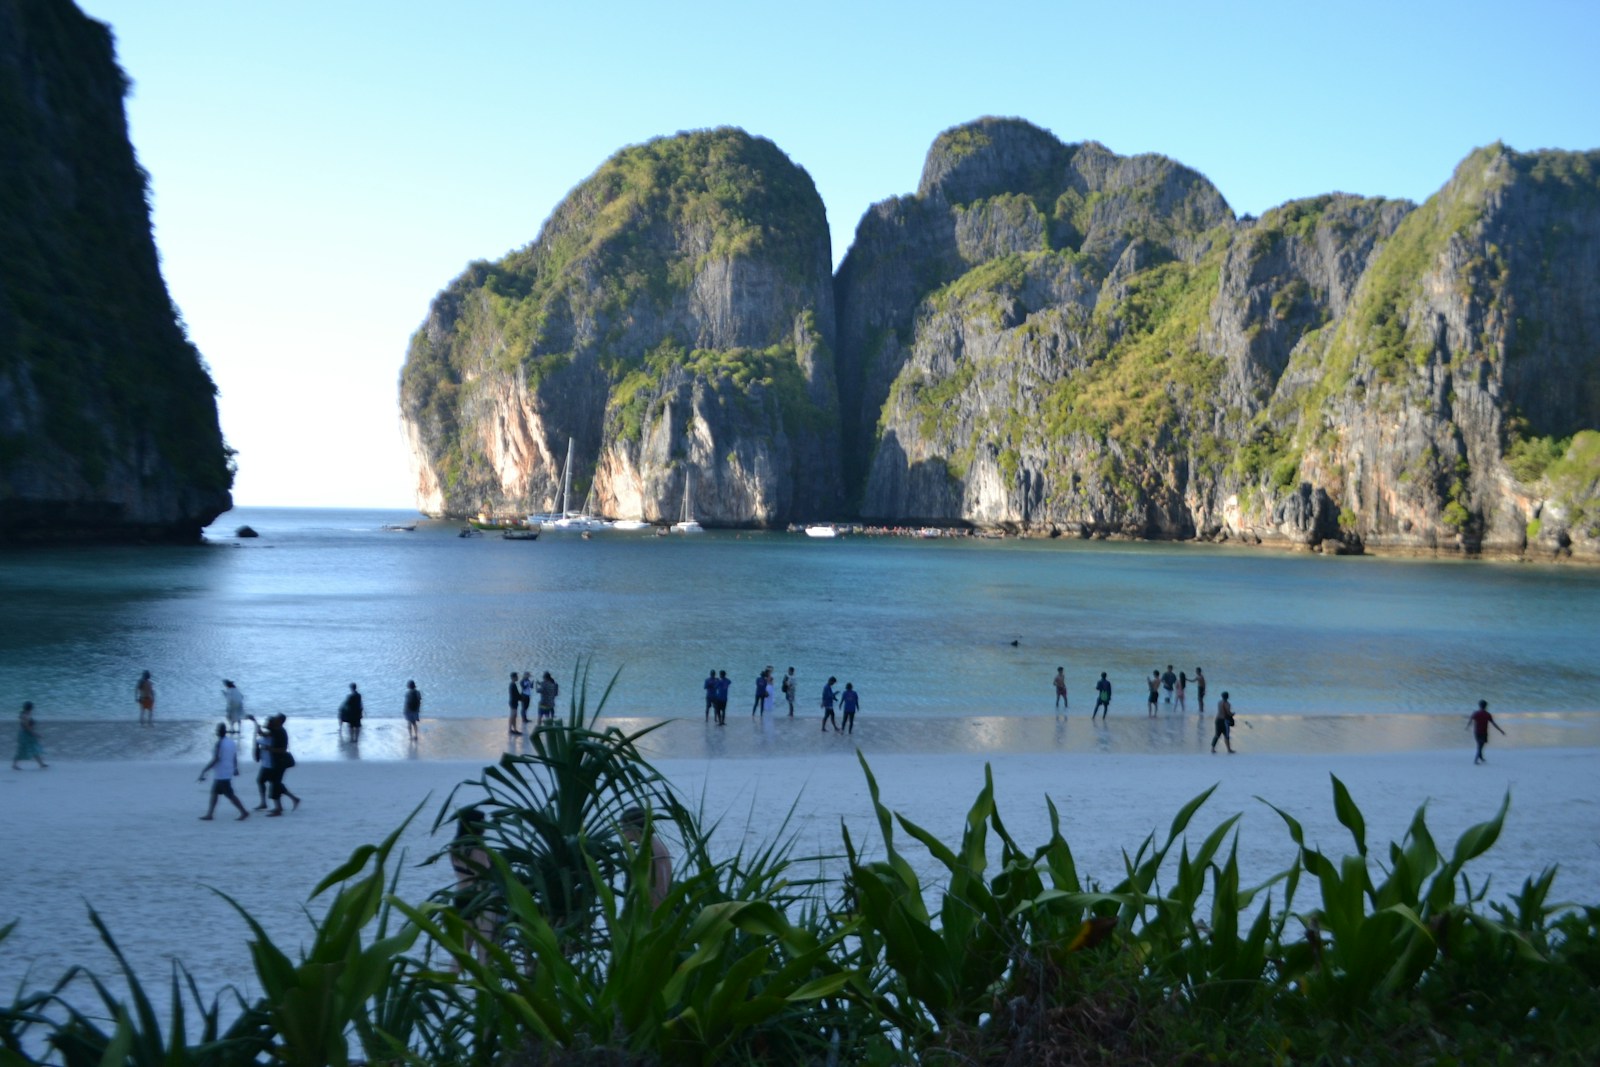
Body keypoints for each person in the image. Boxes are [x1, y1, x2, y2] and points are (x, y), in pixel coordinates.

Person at [621, 805, 673, 908]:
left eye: (623, 829)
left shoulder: (648, 852)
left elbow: (651, 889)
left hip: (651, 914)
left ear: (633, 828)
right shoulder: (656, 843)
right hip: (662, 910)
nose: (622, 833)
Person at [198, 722, 249, 820]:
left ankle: (243, 811)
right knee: (214, 792)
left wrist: (205, 770)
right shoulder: (231, 742)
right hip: (227, 771)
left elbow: (216, 758)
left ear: (218, 732)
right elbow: (234, 756)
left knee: (229, 795)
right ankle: (210, 814)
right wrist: (235, 768)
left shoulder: (219, 743)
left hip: (222, 773)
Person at [264, 713, 300, 814]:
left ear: (280, 721)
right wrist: (254, 722)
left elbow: (283, 750)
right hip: (276, 761)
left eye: (276, 718)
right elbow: (265, 733)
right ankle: (293, 799)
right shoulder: (276, 730)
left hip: (280, 762)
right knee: (276, 782)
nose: (274, 719)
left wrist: (270, 749)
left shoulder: (281, 732)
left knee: (275, 783)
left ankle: (278, 808)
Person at [1468, 699, 1506, 764]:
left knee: (1480, 745)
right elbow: (1493, 724)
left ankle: (1481, 757)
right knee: (1480, 746)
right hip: (1484, 732)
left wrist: (1467, 726)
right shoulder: (1487, 714)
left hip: (1477, 732)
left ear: (1479, 705)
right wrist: (1501, 730)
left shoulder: (1475, 713)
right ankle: (1476, 760)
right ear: (1486, 706)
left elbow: (1470, 720)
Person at [13, 702, 46, 770]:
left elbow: (27, 726)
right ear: (30, 708)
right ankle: (14, 765)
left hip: (26, 734)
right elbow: (27, 727)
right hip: (26, 735)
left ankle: (41, 764)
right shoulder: (25, 716)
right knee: (23, 749)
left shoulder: (26, 714)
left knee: (34, 748)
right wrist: (35, 734)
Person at [506, 672, 522, 736]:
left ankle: (513, 729)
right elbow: (516, 695)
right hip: (513, 702)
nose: (517, 677)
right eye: (516, 676)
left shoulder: (512, 684)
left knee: (514, 716)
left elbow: (515, 695)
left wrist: (520, 698)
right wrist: (521, 698)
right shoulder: (513, 685)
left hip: (513, 702)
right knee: (513, 716)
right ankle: (512, 729)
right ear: (513, 677)